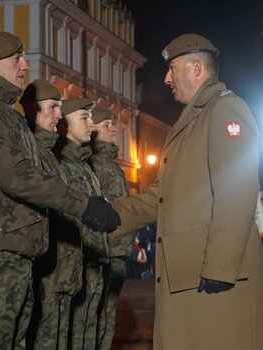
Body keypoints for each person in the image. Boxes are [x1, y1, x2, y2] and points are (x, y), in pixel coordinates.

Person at [0, 31, 119, 350]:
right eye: (16, 59)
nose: (25, 65)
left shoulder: (5, 115)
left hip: (10, 248)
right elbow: (19, 176)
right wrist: (85, 206)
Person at [111, 33, 263, 350]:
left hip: (213, 274)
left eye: (173, 68)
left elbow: (236, 191)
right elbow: (160, 196)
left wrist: (220, 268)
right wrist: (106, 215)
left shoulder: (225, 109)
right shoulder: (193, 119)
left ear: (196, 68)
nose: (167, 78)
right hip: (190, 273)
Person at [20, 80, 83, 349]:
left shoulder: (48, 153)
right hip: (45, 269)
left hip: (60, 267)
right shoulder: (30, 152)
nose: (59, 114)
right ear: (33, 110)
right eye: (53, 107)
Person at [54, 98, 108, 349]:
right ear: (64, 124)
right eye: (84, 118)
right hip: (70, 266)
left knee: (87, 333)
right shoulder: (59, 165)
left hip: (92, 262)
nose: (91, 124)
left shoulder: (84, 165)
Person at [89, 107, 136, 350]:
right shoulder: (95, 164)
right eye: (106, 124)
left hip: (117, 251)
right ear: (93, 130)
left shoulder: (110, 164)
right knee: (96, 320)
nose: (113, 128)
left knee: (107, 318)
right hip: (104, 253)